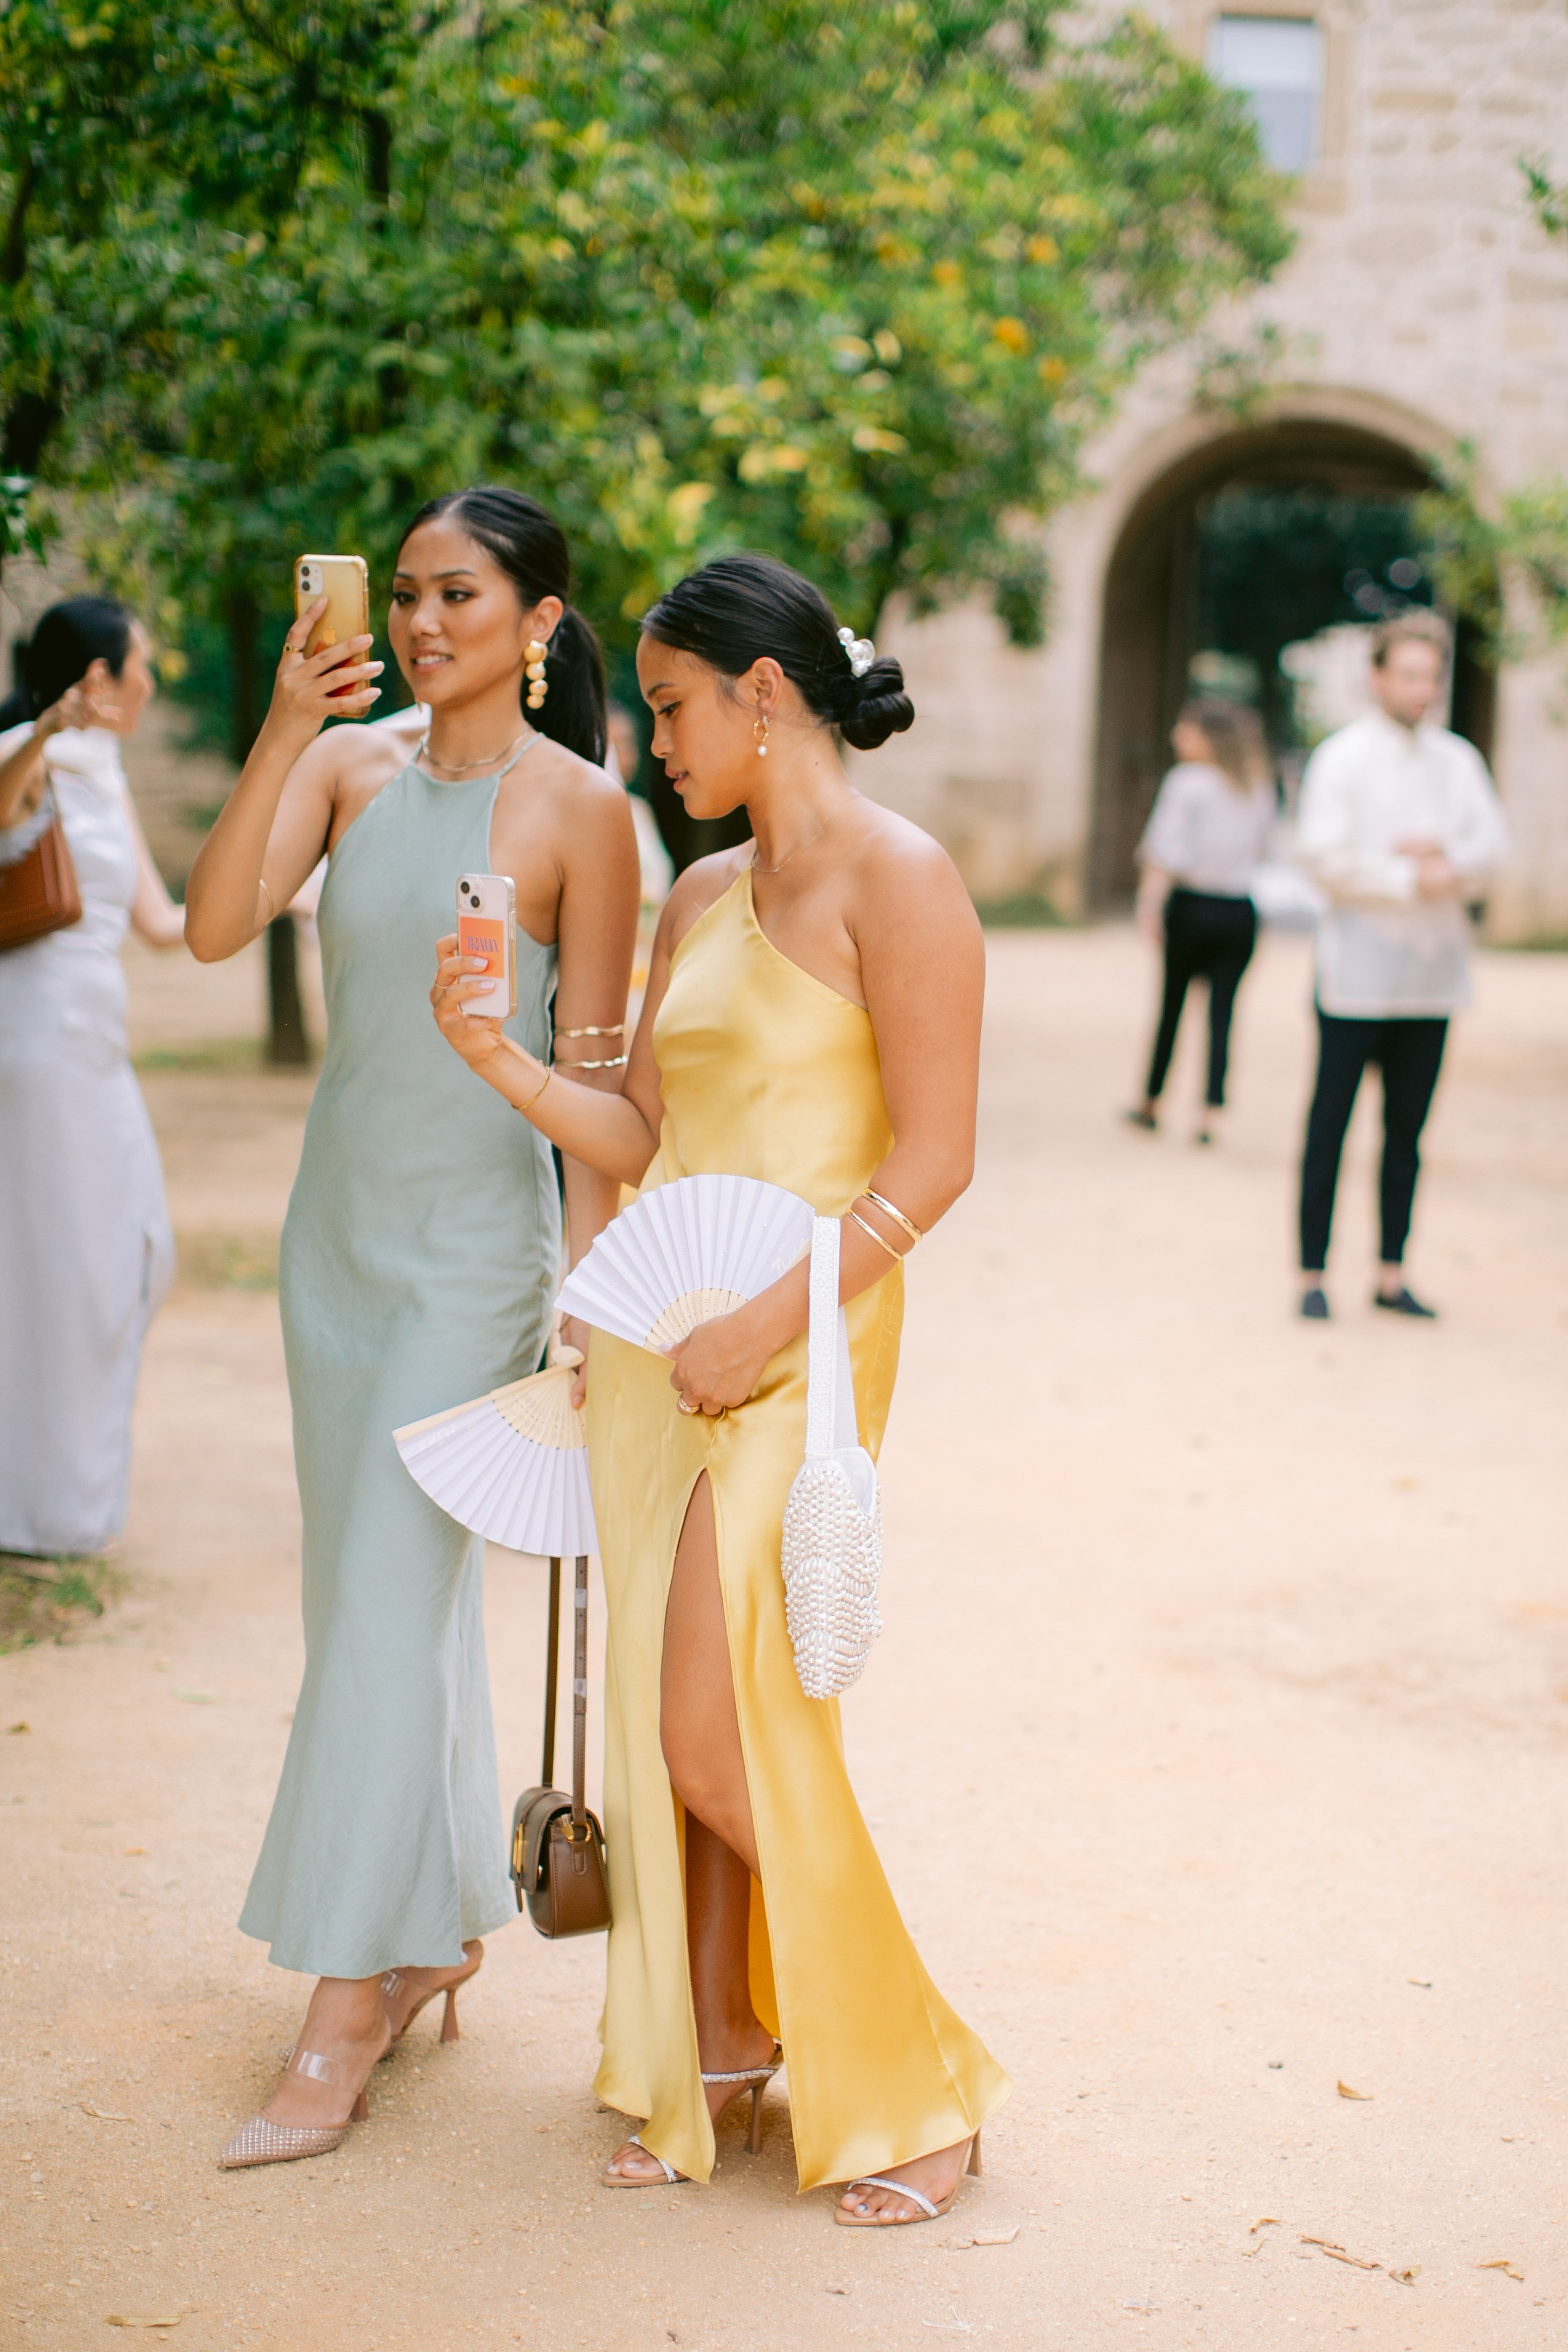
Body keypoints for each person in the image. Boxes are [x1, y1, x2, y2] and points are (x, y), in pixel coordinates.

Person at [431, 553, 1011, 2227]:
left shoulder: (904, 883)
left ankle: (917, 2080)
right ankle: (730, 2038)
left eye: (675, 707)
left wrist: (767, 1327)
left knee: (715, 1730)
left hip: (808, 1343)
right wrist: (504, 1060)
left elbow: (939, 1157)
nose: (655, 741)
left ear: (767, 695)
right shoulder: (695, 896)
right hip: (650, 1351)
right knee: (663, 1722)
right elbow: (646, 1141)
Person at [183, 487, 639, 2168]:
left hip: (474, 1265)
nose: (428, 620)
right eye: (409, 594)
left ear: (538, 624)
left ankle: (342, 2005)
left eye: (464, 594)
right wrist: (288, 721)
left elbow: (593, 1089)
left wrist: (597, 1306)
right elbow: (218, 921)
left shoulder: (590, 816)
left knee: (385, 1599)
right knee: (363, 1608)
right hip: (335, 1249)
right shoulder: (344, 765)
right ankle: (441, 1918)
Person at [0, 597, 186, 1560]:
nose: (153, 681)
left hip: (91, 1044)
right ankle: (39, 1510)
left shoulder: (104, 774)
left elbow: (162, 923)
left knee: (130, 1259)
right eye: (141, 663)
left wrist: (307, 882)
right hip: (38, 1042)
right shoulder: (42, 761)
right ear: (101, 679)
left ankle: (60, 1494)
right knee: (61, 1269)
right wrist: (39, 731)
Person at [1294, 610, 1507, 1320]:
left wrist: (1441, 856)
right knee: (1330, 1126)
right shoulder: (1341, 759)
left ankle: (1391, 1272)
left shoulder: (1457, 761)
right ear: (1377, 675)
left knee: (1406, 1134)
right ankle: (1311, 1273)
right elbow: (1324, 857)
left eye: (1432, 676)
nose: (1422, 689)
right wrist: (1408, 875)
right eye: (1409, 673)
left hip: (1431, 980)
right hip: (1355, 977)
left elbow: (1490, 849)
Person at [1125, 698, 1274, 1145]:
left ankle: (1152, 1101)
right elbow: (1268, 847)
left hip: (1191, 907)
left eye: (1185, 730)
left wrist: (1149, 905)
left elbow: (1165, 850)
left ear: (1208, 737)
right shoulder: (1256, 785)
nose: (1177, 737)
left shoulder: (1187, 781)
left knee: (1171, 1006)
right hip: (1239, 910)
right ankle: (1210, 1112)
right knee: (1223, 1013)